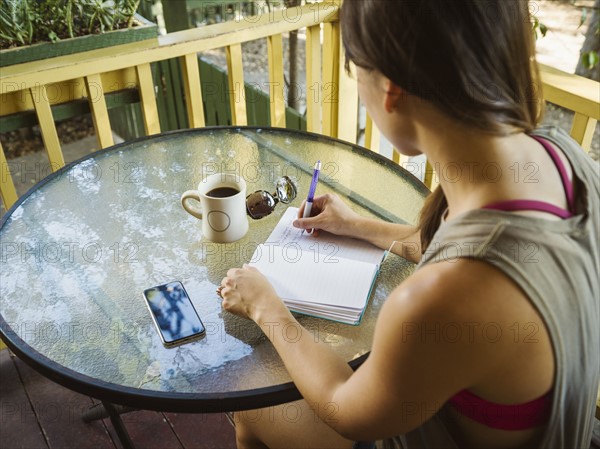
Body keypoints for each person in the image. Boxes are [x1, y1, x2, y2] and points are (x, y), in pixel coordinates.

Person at [219, 1, 600, 448]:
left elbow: (346, 409)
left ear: (391, 88)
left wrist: (267, 306)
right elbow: (475, 249)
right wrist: (357, 225)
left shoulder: (439, 300)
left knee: (248, 390)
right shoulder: (561, 159)